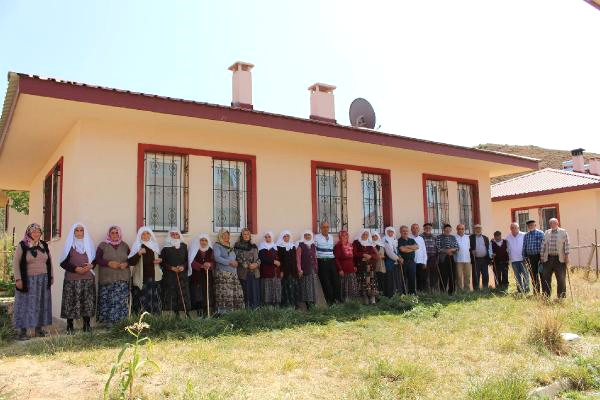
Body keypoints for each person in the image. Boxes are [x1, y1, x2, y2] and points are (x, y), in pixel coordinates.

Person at [13, 223, 53, 340]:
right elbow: (16, 263)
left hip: (43, 279)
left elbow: (49, 262)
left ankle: (39, 329)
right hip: (28, 280)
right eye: (33, 232)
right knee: (25, 305)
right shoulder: (23, 245)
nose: (36, 234)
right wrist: (18, 279)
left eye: (38, 232)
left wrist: (51, 277)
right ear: (29, 233)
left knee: (41, 304)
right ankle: (22, 332)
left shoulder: (44, 245)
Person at [60, 222, 96, 333]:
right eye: (77, 230)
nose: (79, 233)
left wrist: (91, 265)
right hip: (72, 279)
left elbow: (95, 259)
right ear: (73, 232)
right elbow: (63, 262)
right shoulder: (69, 245)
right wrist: (76, 269)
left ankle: (87, 325)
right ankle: (70, 326)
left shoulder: (89, 244)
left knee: (87, 302)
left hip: (87, 278)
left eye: (81, 230)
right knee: (70, 302)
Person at [95, 226, 131, 327]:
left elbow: (131, 259)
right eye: (112, 233)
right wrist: (108, 263)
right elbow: (97, 259)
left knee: (121, 301)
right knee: (108, 300)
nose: (115, 235)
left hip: (122, 278)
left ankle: (121, 324)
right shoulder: (103, 245)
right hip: (107, 279)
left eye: (116, 233)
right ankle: (108, 324)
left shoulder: (125, 245)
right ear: (109, 234)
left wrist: (126, 264)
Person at [128, 227, 163, 315]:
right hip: (142, 278)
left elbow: (161, 260)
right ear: (140, 235)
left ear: (151, 235)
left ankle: (154, 322)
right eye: (143, 234)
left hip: (154, 278)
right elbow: (131, 262)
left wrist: (160, 260)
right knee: (142, 300)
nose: (146, 235)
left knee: (154, 300)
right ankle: (142, 323)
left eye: (148, 233)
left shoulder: (155, 246)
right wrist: (139, 253)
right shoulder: (137, 246)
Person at [213, 228, 245, 313]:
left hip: (233, 274)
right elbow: (217, 258)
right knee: (225, 294)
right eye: (224, 236)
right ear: (220, 236)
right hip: (224, 274)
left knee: (235, 294)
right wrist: (229, 262)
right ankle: (223, 314)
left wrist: (236, 263)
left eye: (228, 235)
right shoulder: (217, 245)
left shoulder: (230, 247)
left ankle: (234, 313)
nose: (226, 237)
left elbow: (234, 258)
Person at [160, 229, 191, 317]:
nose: (174, 236)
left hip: (182, 274)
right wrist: (171, 268)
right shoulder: (165, 248)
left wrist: (183, 267)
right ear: (169, 236)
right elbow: (162, 262)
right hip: (170, 275)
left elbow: (187, 260)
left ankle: (186, 313)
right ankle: (174, 314)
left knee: (183, 294)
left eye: (176, 234)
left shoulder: (184, 246)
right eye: (172, 234)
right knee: (172, 293)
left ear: (179, 235)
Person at [541, 218, 570, 299]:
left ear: (557, 223)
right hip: (548, 258)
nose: (552, 225)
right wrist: (542, 255)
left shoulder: (563, 232)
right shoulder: (547, 232)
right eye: (550, 223)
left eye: (554, 223)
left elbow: (567, 244)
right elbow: (543, 244)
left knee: (561, 278)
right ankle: (546, 296)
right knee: (546, 278)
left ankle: (561, 297)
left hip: (559, 259)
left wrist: (567, 255)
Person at [314, 221, 341, 305]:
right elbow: (314, 251)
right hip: (322, 262)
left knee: (336, 281)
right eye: (324, 227)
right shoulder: (316, 237)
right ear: (320, 228)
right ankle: (330, 301)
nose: (326, 229)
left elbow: (331, 250)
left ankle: (337, 299)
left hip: (331, 261)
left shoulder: (331, 237)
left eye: (327, 227)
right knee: (326, 282)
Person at [188, 233, 214, 317]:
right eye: (202, 240)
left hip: (207, 276)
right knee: (198, 294)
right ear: (199, 241)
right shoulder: (194, 248)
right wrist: (201, 266)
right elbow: (191, 261)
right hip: (197, 276)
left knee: (207, 293)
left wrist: (209, 265)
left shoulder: (210, 250)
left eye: (205, 240)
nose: (203, 242)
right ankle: (199, 313)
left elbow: (214, 262)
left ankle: (206, 313)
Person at [234, 228, 261, 309]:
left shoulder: (254, 246)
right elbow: (236, 258)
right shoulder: (237, 246)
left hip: (254, 272)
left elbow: (258, 259)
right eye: (244, 234)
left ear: (250, 236)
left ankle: (255, 309)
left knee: (254, 292)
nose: (246, 236)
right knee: (245, 292)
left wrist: (256, 264)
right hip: (243, 272)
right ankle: (246, 311)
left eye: (247, 234)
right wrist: (244, 264)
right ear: (241, 236)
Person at [276, 230, 300, 308]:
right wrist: (281, 270)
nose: (286, 237)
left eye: (287, 236)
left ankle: (294, 305)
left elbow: (295, 259)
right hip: (284, 271)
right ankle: (286, 306)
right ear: (282, 237)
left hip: (293, 270)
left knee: (293, 287)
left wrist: (297, 270)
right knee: (285, 288)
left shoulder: (292, 246)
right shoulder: (279, 247)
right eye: (284, 236)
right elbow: (279, 259)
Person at [258, 231, 282, 307]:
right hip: (266, 273)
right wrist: (273, 261)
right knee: (267, 291)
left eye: (269, 236)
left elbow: (280, 259)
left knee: (276, 290)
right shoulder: (261, 246)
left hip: (275, 273)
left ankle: (276, 308)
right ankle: (268, 309)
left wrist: (281, 270)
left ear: (272, 237)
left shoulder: (275, 246)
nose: (267, 238)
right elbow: (262, 258)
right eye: (266, 237)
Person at [506, 222, 530, 293]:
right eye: (512, 228)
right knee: (517, 276)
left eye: (515, 227)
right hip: (514, 260)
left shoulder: (524, 235)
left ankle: (526, 289)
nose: (513, 229)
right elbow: (506, 248)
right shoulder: (508, 237)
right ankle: (520, 289)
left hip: (523, 259)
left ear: (518, 228)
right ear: (510, 229)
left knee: (526, 275)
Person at [296, 230, 318, 309]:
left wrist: (316, 268)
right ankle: (307, 304)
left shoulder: (312, 245)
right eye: (306, 235)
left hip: (312, 269)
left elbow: (315, 257)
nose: (307, 236)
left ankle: (312, 303)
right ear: (303, 236)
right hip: (304, 270)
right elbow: (298, 259)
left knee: (312, 287)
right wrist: (299, 270)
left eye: (309, 235)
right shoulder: (300, 246)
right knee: (306, 287)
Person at [522, 219, 545, 294]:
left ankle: (544, 293)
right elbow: (524, 246)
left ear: (535, 225)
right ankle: (536, 292)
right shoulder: (526, 235)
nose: (530, 226)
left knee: (542, 274)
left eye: (532, 225)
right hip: (530, 258)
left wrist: (542, 256)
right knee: (533, 275)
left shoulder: (540, 233)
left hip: (540, 257)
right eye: (529, 225)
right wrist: (524, 256)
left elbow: (544, 245)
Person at [334, 230, 357, 302]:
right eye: (343, 235)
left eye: (346, 235)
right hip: (343, 269)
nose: (345, 237)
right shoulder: (338, 246)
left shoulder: (350, 245)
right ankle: (344, 300)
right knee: (344, 284)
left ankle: (352, 301)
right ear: (340, 237)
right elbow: (336, 259)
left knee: (351, 284)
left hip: (350, 268)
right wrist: (340, 269)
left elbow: (352, 257)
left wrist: (354, 265)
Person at [436, 224, 458, 294]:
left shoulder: (453, 237)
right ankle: (443, 292)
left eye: (449, 229)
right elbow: (438, 248)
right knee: (443, 276)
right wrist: (446, 251)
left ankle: (452, 292)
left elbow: (457, 247)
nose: (448, 230)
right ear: (444, 229)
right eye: (446, 229)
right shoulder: (439, 237)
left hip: (452, 258)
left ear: (451, 230)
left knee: (452, 275)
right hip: (443, 259)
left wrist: (451, 251)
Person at [469, 224, 492, 290]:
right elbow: (468, 247)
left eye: (479, 228)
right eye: (476, 228)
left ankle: (485, 288)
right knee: (476, 275)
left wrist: (490, 257)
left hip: (484, 259)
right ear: (474, 229)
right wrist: (471, 251)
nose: (478, 230)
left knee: (485, 275)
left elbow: (488, 248)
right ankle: (476, 289)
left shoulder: (485, 238)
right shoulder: (471, 238)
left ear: (481, 229)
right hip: (475, 259)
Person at [398, 225, 419, 295]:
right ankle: (404, 295)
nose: (405, 232)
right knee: (403, 279)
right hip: (404, 262)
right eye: (403, 231)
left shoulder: (411, 240)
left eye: (406, 231)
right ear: (400, 232)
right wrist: (412, 248)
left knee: (412, 279)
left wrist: (407, 246)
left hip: (412, 262)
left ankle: (412, 294)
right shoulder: (399, 241)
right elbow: (403, 250)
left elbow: (417, 246)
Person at [383, 226, 402, 297]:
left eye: (392, 231)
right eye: (389, 231)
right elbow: (389, 252)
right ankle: (390, 295)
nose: (390, 233)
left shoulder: (394, 239)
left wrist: (400, 257)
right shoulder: (385, 239)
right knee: (390, 278)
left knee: (396, 278)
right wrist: (397, 258)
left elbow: (396, 250)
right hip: (389, 262)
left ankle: (397, 294)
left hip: (396, 262)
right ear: (386, 232)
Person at [421, 223, 439, 292]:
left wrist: (437, 258)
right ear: (424, 228)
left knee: (433, 274)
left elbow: (437, 248)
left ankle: (433, 289)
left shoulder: (434, 237)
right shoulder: (421, 237)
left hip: (433, 257)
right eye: (426, 227)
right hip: (425, 258)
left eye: (429, 228)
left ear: (431, 229)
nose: (428, 229)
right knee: (425, 274)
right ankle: (425, 290)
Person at [410, 224, 428, 292]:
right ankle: (413, 292)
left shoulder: (421, 238)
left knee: (420, 278)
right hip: (412, 261)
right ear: (411, 230)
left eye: (416, 228)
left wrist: (425, 262)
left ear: (419, 229)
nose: (415, 229)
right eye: (413, 228)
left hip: (420, 261)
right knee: (412, 278)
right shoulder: (409, 238)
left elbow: (424, 250)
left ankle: (420, 291)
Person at [453, 224, 472, 292]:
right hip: (458, 260)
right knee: (459, 276)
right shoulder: (454, 237)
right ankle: (459, 291)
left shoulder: (468, 237)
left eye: (462, 229)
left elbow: (469, 248)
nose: (460, 230)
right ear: (457, 229)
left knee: (467, 276)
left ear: (464, 229)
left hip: (467, 259)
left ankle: (467, 290)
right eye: (459, 229)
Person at [370, 230, 386, 298]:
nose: (374, 237)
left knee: (382, 280)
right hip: (374, 264)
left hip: (382, 264)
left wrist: (383, 256)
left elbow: (385, 254)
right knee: (375, 281)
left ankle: (382, 296)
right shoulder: (371, 245)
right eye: (372, 236)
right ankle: (376, 297)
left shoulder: (382, 244)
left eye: (375, 236)